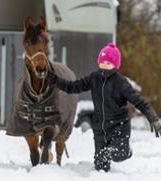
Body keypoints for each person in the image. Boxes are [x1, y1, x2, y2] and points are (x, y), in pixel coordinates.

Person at [47, 43, 161, 172]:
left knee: (117, 154)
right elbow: (73, 86)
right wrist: (55, 79)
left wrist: (153, 118)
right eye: (102, 63)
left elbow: (140, 102)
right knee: (101, 167)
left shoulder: (121, 83)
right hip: (100, 129)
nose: (104, 67)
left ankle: (127, 151)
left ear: (115, 65)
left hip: (119, 127)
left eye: (108, 64)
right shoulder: (94, 78)